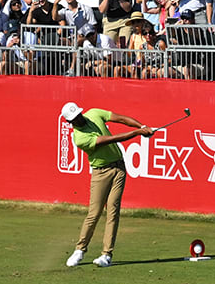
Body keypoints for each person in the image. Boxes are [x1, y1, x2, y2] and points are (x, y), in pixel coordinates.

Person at [62, 103, 155, 268]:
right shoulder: (79, 138)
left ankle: (106, 255)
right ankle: (80, 250)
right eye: (74, 119)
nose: (78, 119)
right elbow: (110, 139)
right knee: (94, 213)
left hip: (119, 168)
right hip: (100, 173)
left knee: (113, 210)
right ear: (70, 123)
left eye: (78, 115)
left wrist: (142, 126)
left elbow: (121, 119)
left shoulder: (94, 114)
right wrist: (137, 133)